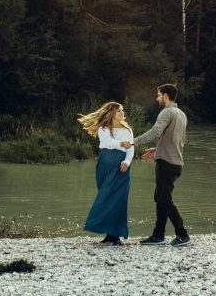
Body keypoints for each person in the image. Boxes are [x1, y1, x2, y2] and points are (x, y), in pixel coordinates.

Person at [122, 83, 190, 247]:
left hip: (166, 162)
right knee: (160, 198)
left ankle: (182, 234)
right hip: (175, 162)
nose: (157, 98)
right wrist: (156, 149)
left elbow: (154, 133)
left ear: (166, 96)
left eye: (159, 95)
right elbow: (179, 140)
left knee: (164, 199)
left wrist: (132, 142)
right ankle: (158, 235)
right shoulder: (181, 114)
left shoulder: (166, 112)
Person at [78, 101, 134, 245]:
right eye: (119, 111)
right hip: (105, 164)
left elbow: (131, 149)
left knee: (118, 199)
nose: (122, 113)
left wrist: (127, 162)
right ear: (112, 114)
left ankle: (115, 236)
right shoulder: (103, 129)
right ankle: (110, 235)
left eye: (122, 110)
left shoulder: (127, 130)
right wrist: (121, 144)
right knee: (106, 197)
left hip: (121, 166)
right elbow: (107, 142)